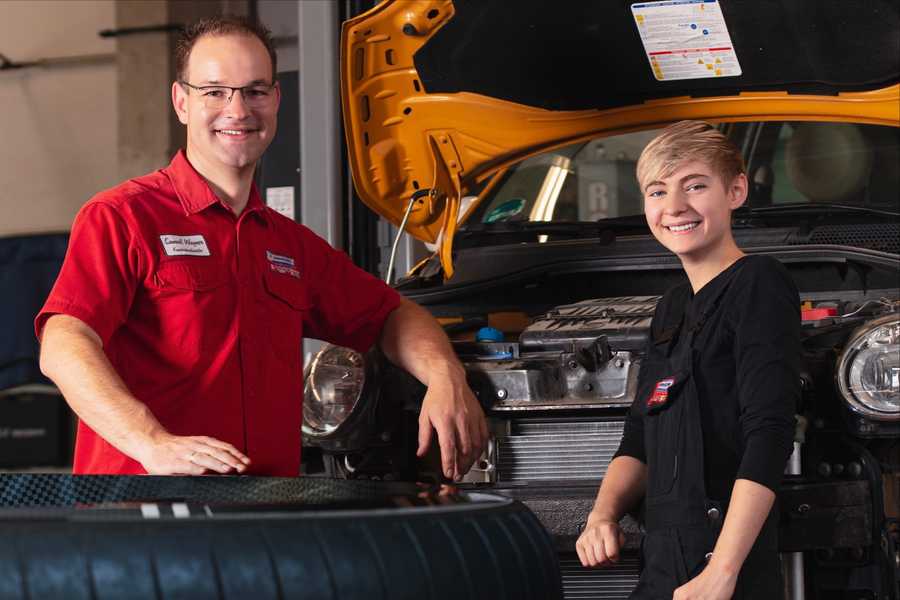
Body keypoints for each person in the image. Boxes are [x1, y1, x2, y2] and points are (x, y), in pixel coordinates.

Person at [35, 16, 487, 480]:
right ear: (181, 101)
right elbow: (65, 343)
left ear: (275, 100)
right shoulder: (122, 217)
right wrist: (151, 442)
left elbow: (391, 313)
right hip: (149, 520)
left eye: (254, 91)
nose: (237, 110)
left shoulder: (290, 246)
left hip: (263, 517)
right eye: (215, 91)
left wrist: (445, 377)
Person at [575, 121, 799, 599]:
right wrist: (602, 516)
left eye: (695, 186)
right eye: (657, 192)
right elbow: (639, 434)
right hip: (662, 555)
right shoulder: (673, 306)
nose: (674, 207)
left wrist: (723, 571)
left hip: (723, 556)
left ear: (736, 190)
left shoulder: (758, 282)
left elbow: (770, 432)